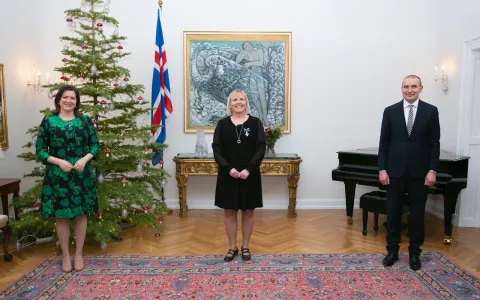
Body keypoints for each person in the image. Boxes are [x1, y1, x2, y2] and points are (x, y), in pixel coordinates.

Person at [378, 75, 440, 270]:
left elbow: (434, 144)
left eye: (414, 86)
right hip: (394, 172)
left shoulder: (431, 111)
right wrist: (382, 169)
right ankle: (392, 251)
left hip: (420, 173)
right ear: (401, 89)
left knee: (417, 215)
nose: (410, 89)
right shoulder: (390, 111)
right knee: (393, 213)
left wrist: (432, 170)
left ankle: (414, 253)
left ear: (421, 88)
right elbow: (384, 143)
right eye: (406, 86)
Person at [35, 85, 99, 272]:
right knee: (61, 217)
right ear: (58, 100)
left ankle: (78, 254)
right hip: (57, 176)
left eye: (72, 98)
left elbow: (94, 146)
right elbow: (40, 151)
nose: (69, 100)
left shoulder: (85, 121)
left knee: (81, 215)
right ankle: (65, 255)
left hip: (82, 175)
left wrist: (85, 159)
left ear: (77, 101)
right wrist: (58, 162)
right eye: (65, 97)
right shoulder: (48, 122)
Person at [212, 89, 266, 262]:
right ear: (230, 103)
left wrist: (248, 169)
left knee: (248, 211)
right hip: (228, 175)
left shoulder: (255, 123)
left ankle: (245, 246)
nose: (238, 102)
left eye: (241, 99)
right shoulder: (222, 124)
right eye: (235, 99)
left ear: (246, 102)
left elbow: (260, 147)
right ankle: (232, 247)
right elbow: (216, 149)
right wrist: (229, 169)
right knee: (230, 211)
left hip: (249, 175)